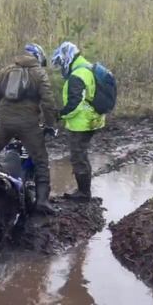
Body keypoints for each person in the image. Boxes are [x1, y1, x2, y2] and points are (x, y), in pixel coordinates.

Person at [0, 43, 58, 215]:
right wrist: (51, 125)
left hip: (5, 122)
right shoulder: (39, 73)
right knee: (41, 160)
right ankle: (42, 201)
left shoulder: (7, 71)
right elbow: (48, 102)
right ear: (38, 57)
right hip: (28, 124)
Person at [51, 41, 105, 200]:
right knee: (81, 154)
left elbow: (75, 104)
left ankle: (83, 193)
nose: (61, 66)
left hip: (83, 122)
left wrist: (60, 114)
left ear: (67, 58)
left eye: (61, 62)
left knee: (78, 156)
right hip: (91, 118)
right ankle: (84, 190)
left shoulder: (77, 75)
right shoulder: (86, 68)